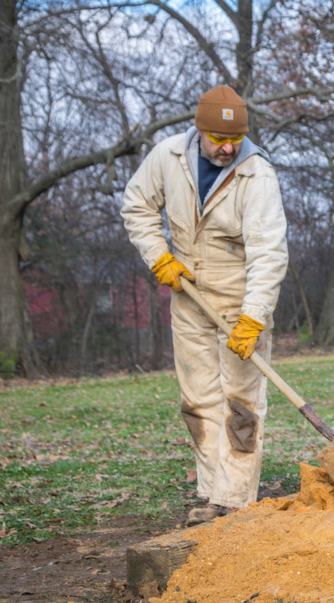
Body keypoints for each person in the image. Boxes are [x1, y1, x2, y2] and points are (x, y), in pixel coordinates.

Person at [122, 85, 289, 526]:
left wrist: (253, 318)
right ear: (200, 131)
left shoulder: (257, 175)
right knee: (198, 400)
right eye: (218, 138)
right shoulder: (168, 157)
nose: (227, 148)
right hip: (189, 297)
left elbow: (269, 252)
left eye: (235, 139)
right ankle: (212, 494)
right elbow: (137, 205)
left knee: (241, 404)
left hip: (240, 302)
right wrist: (159, 255)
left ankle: (234, 501)